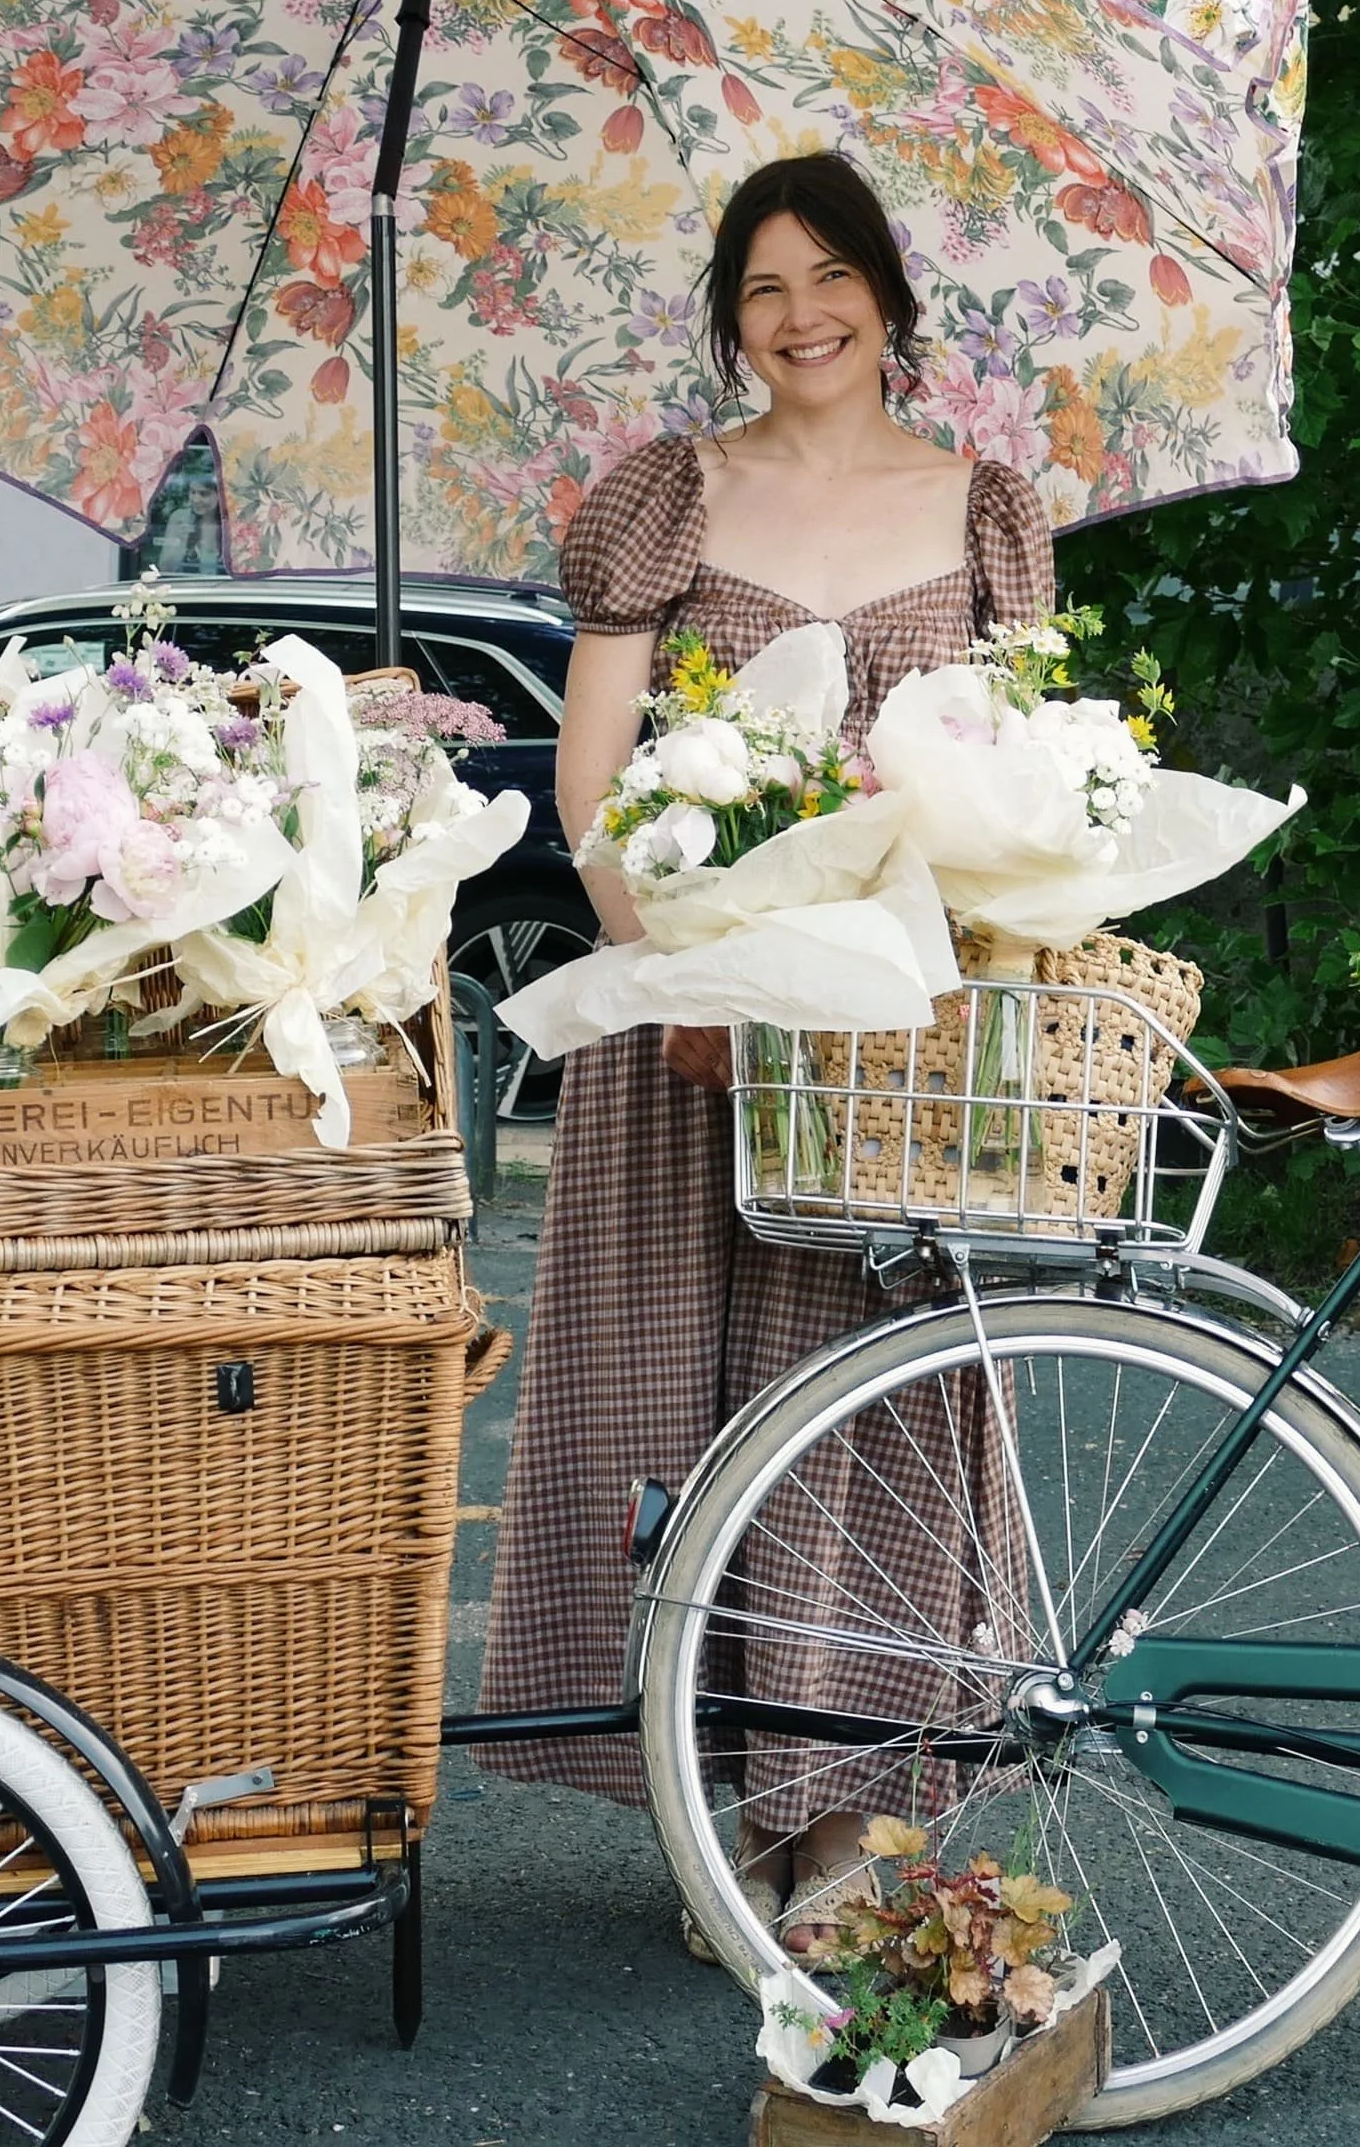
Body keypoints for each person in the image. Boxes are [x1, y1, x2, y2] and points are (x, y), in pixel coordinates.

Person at [480, 152, 1054, 1952]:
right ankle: (706, 1769)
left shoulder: (983, 506)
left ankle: (849, 1811)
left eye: (828, 279)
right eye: (759, 290)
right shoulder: (669, 494)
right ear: (728, 320)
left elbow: (1032, 784)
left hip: (893, 1039)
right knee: (679, 1404)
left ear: (888, 291)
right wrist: (680, 970)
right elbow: (592, 774)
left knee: (860, 1406)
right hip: (697, 1023)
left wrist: (972, 968)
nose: (798, 318)